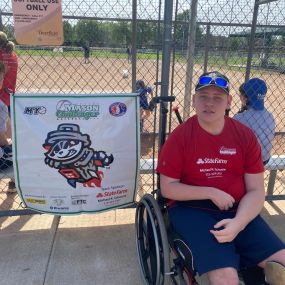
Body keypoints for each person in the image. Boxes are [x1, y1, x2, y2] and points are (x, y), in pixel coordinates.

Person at [156, 71, 285, 285]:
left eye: (218, 97)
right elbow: (167, 188)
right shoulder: (180, 137)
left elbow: (255, 190)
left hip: (237, 209)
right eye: (204, 96)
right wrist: (210, 191)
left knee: (281, 263)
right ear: (194, 101)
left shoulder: (244, 135)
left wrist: (239, 223)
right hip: (192, 210)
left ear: (229, 102)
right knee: (226, 277)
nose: (210, 103)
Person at [233, 78, 275, 165]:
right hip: (265, 159)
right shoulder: (270, 116)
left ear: (245, 98)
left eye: (241, 95)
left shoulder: (239, 118)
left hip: (247, 161)